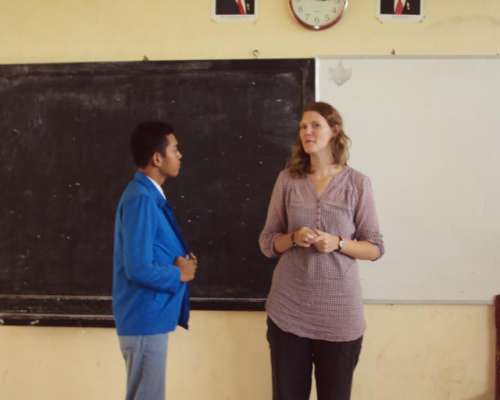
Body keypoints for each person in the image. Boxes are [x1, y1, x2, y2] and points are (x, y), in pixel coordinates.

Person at [259, 102, 384, 400]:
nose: (307, 132)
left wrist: (338, 243)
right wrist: (293, 237)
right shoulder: (287, 180)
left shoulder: (357, 183)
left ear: (334, 130)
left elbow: (375, 247)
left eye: (315, 125)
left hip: (340, 318)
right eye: (303, 127)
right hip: (289, 313)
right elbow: (267, 242)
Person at [112, 121, 197, 400]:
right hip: (143, 318)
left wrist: (180, 264)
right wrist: (179, 274)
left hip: (149, 318)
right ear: (157, 158)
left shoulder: (147, 195)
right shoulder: (141, 198)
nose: (180, 155)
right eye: (175, 149)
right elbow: (138, 267)